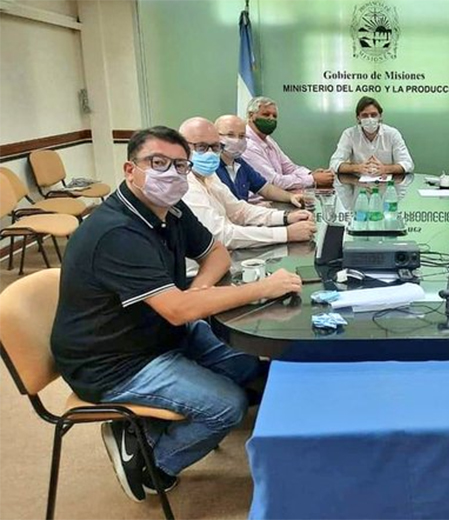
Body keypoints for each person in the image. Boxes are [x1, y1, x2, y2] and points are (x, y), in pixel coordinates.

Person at [50, 126, 304, 502]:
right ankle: (151, 463)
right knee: (227, 406)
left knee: (249, 365)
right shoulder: (116, 232)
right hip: (113, 362)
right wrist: (263, 288)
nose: (171, 173)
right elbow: (175, 310)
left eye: (180, 165)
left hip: (159, 332)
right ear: (130, 169)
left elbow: (216, 253)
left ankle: (146, 424)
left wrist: (198, 293)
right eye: (158, 163)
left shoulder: (170, 209)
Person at [179, 117, 316, 250]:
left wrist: (285, 217)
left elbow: (239, 211)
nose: (210, 153)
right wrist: (286, 234)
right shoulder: (184, 185)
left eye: (215, 147)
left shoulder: (209, 176)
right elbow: (221, 235)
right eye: (201, 147)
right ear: (182, 147)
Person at [242, 96, 335, 189]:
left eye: (274, 116)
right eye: (266, 114)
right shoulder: (246, 144)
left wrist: (311, 174)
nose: (271, 119)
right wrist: (312, 179)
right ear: (251, 116)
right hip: (260, 198)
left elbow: (290, 168)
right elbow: (273, 182)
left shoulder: (268, 140)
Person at [214, 114, 304, 206]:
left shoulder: (240, 164)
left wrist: (291, 197)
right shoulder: (211, 167)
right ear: (215, 136)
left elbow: (266, 189)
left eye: (241, 136)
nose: (237, 141)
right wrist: (253, 209)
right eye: (230, 135)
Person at [329, 96, 414, 176]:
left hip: (386, 183)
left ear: (380, 116)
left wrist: (385, 169)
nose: (370, 119)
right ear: (358, 118)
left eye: (373, 115)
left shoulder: (392, 134)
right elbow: (334, 163)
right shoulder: (349, 134)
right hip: (358, 183)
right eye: (365, 115)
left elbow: (408, 164)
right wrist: (357, 168)